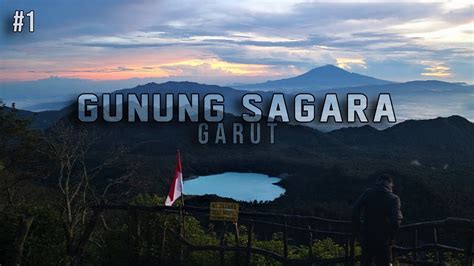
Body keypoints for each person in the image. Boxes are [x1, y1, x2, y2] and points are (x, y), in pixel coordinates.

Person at [352, 174, 403, 266]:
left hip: (367, 237)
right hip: (384, 240)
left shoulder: (368, 193)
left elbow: (355, 210)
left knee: (366, 262)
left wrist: (359, 229)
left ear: (377, 182)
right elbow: (396, 221)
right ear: (391, 184)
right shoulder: (394, 198)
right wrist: (391, 237)